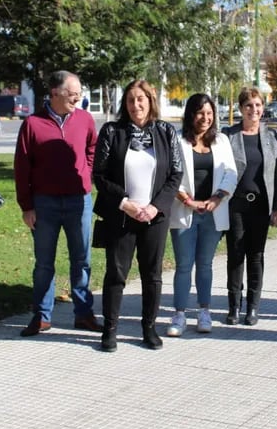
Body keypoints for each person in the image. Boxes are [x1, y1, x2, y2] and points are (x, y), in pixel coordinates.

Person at [93, 80, 183, 351]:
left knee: (152, 275)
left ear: (150, 101)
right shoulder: (111, 132)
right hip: (122, 215)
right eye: (131, 100)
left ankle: (149, 328)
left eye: (141, 99)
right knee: (116, 274)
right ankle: (109, 330)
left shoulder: (166, 131)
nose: (136, 105)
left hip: (154, 216)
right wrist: (124, 203)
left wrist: (156, 206)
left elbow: (175, 174)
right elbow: (99, 175)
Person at [14, 70, 101, 336]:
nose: (77, 98)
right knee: (44, 263)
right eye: (72, 93)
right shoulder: (32, 124)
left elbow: (92, 149)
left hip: (79, 201)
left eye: (79, 93)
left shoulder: (85, 119)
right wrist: (27, 206)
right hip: (44, 204)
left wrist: (86, 174)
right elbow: (22, 167)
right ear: (54, 93)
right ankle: (42, 316)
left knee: (82, 260)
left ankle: (84, 313)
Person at [168, 93, 237, 336]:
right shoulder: (177, 140)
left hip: (212, 212)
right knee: (184, 265)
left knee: (205, 265)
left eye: (209, 113)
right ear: (190, 114)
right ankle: (179, 314)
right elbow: (170, 174)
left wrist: (217, 198)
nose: (205, 118)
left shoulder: (221, 141)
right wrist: (187, 199)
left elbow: (231, 173)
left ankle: (204, 311)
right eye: (200, 113)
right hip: (185, 210)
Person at [224, 86, 277, 326]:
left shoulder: (271, 137)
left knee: (256, 256)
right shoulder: (229, 135)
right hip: (236, 205)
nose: (254, 110)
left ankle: (253, 307)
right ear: (241, 109)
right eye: (249, 105)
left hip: (261, 206)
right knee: (236, 255)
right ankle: (233, 307)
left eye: (258, 105)